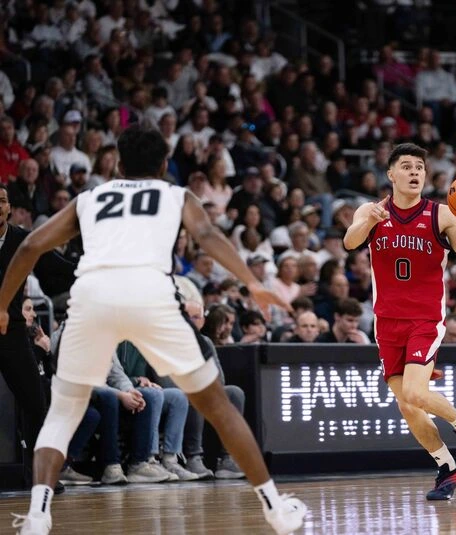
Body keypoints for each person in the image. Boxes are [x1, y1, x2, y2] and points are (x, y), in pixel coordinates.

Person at [0, 125, 306, 535]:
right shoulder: (177, 195)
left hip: (92, 296)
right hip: (151, 296)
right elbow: (207, 234)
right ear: (165, 165)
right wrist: (251, 283)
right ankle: (275, 509)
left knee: (60, 413)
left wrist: (2, 306)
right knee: (218, 405)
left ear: (119, 166)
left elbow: (28, 247)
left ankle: (38, 515)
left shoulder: (89, 198)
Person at [343, 142, 456, 501]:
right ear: (390, 174)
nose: (414, 173)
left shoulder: (442, 215)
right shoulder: (371, 210)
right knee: (408, 406)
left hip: (424, 318)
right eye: (406, 166)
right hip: (386, 321)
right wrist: (367, 221)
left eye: (419, 168)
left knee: (413, 392)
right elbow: (350, 243)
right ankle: (448, 467)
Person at [0, 184, 75, 494]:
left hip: (13, 333)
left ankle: (41, 479)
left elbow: (57, 269)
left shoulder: (22, 240)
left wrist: (91, 270)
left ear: (9, 208)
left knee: (35, 403)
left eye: (2, 200)